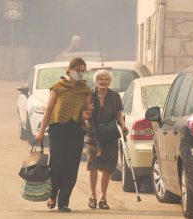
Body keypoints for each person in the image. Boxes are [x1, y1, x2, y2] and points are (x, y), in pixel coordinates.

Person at [35, 57, 93, 213]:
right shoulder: (58, 87)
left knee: (72, 166)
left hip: (76, 130)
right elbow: (48, 110)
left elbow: (88, 109)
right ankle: (53, 194)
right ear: (70, 70)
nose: (80, 74)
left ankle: (63, 202)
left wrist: (86, 115)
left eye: (82, 71)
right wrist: (41, 131)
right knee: (57, 163)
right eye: (77, 70)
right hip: (57, 129)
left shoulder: (85, 89)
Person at [85, 69, 128, 210]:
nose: (103, 82)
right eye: (100, 79)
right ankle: (92, 196)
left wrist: (123, 125)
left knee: (106, 168)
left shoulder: (115, 96)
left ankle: (103, 197)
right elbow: (85, 114)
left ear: (110, 82)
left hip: (109, 135)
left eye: (106, 79)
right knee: (93, 166)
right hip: (93, 133)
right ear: (96, 82)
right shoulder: (89, 95)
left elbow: (118, 113)